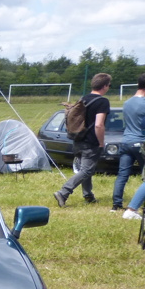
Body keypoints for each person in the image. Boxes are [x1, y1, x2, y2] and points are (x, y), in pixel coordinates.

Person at [54, 73, 112, 207]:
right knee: (86, 170)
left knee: (85, 169)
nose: (109, 87)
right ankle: (63, 192)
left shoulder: (83, 99)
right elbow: (99, 124)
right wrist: (101, 142)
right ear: (104, 86)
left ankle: (88, 195)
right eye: (109, 85)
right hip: (91, 141)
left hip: (78, 139)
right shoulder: (103, 101)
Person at [113, 73, 145, 211]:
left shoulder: (127, 102)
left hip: (126, 141)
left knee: (122, 174)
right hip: (141, 142)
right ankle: (137, 205)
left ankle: (116, 204)